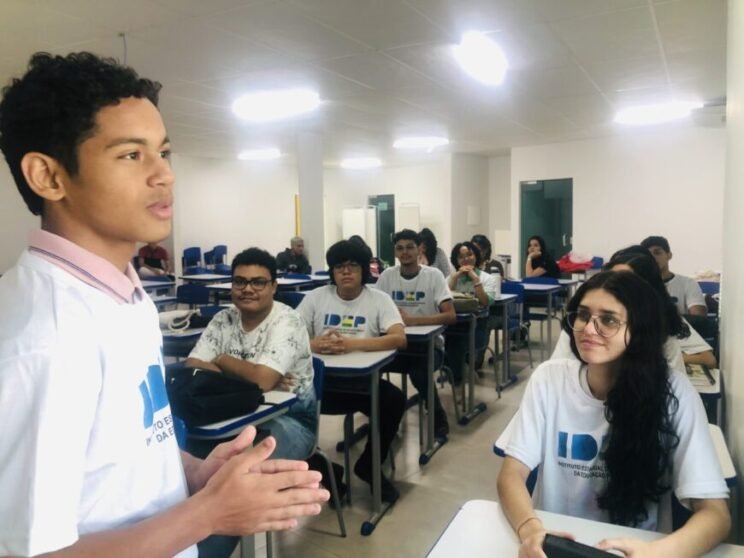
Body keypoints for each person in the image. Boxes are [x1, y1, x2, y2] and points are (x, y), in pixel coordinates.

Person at [0, 52, 328, 557]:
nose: (165, 175)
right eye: (132, 155)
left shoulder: (124, 296)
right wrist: (208, 515)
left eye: (165, 152)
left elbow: (133, 441)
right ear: (48, 176)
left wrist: (196, 473)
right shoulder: (44, 338)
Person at [498, 271, 730, 557]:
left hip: (638, 549)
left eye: (608, 320)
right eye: (583, 315)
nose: (588, 328)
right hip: (556, 545)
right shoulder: (549, 379)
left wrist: (659, 553)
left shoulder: (674, 393)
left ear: (639, 330)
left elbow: (716, 515)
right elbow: (511, 474)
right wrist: (530, 529)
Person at [297, 240, 407, 503]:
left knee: (393, 400)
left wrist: (351, 345)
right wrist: (314, 344)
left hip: (362, 385)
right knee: (285, 414)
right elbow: (289, 336)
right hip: (319, 386)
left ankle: (369, 465)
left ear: (363, 270)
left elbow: (399, 338)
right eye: (339, 267)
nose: (345, 272)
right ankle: (326, 471)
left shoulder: (378, 299)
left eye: (352, 266)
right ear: (332, 271)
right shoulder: (316, 297)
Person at [185, 247, 316, 461]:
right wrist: (251, 377)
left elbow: (262, 381)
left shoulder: (288, 321)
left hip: (288, 418)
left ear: (273, 286)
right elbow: (192, 365)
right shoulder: (223, 319)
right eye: (239, 281)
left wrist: (221, 360)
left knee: (241, 467)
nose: (247, 289)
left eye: (258, 282)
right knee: (191, 457)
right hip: (232, 413)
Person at [551, 247, 690, 374]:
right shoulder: (579, 327)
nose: (614, 288)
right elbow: (556, 374)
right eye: (610, 279)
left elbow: (673, 383)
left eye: (627, 283)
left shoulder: (663, 334)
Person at [375, 229, 456, 437]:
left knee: (419, 371)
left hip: (428, 347)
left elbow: (450, 316)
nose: (405, 252)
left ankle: (437, 413)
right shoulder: (387, 276)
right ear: (395, 252)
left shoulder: (433, 276)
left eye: (410, 247)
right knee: (371, 369)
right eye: (400, 248)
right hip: (395, 346)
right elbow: (374, 309)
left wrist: (412, 321)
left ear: (420, 249)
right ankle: (380, 415)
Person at [445, 241, 498, 384]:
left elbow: (485, 302)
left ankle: (458, 377)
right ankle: (460, 371)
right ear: (456, 261)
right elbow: (443, 301)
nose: (466, 259)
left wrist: (475, 279)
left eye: (469, 255)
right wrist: (454, 279)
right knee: (437, 345)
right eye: (461, 257)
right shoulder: (452, 278)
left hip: (477, 327)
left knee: (454, 346)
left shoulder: (487, 278)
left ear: (476, 256)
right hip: (452, 325)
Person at [641, 235, 706, 317]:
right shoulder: (638, 284)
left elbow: (699, 317)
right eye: (648, 255)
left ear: (669, 255)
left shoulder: (688, 283)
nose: (653, 258)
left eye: (657, 253)